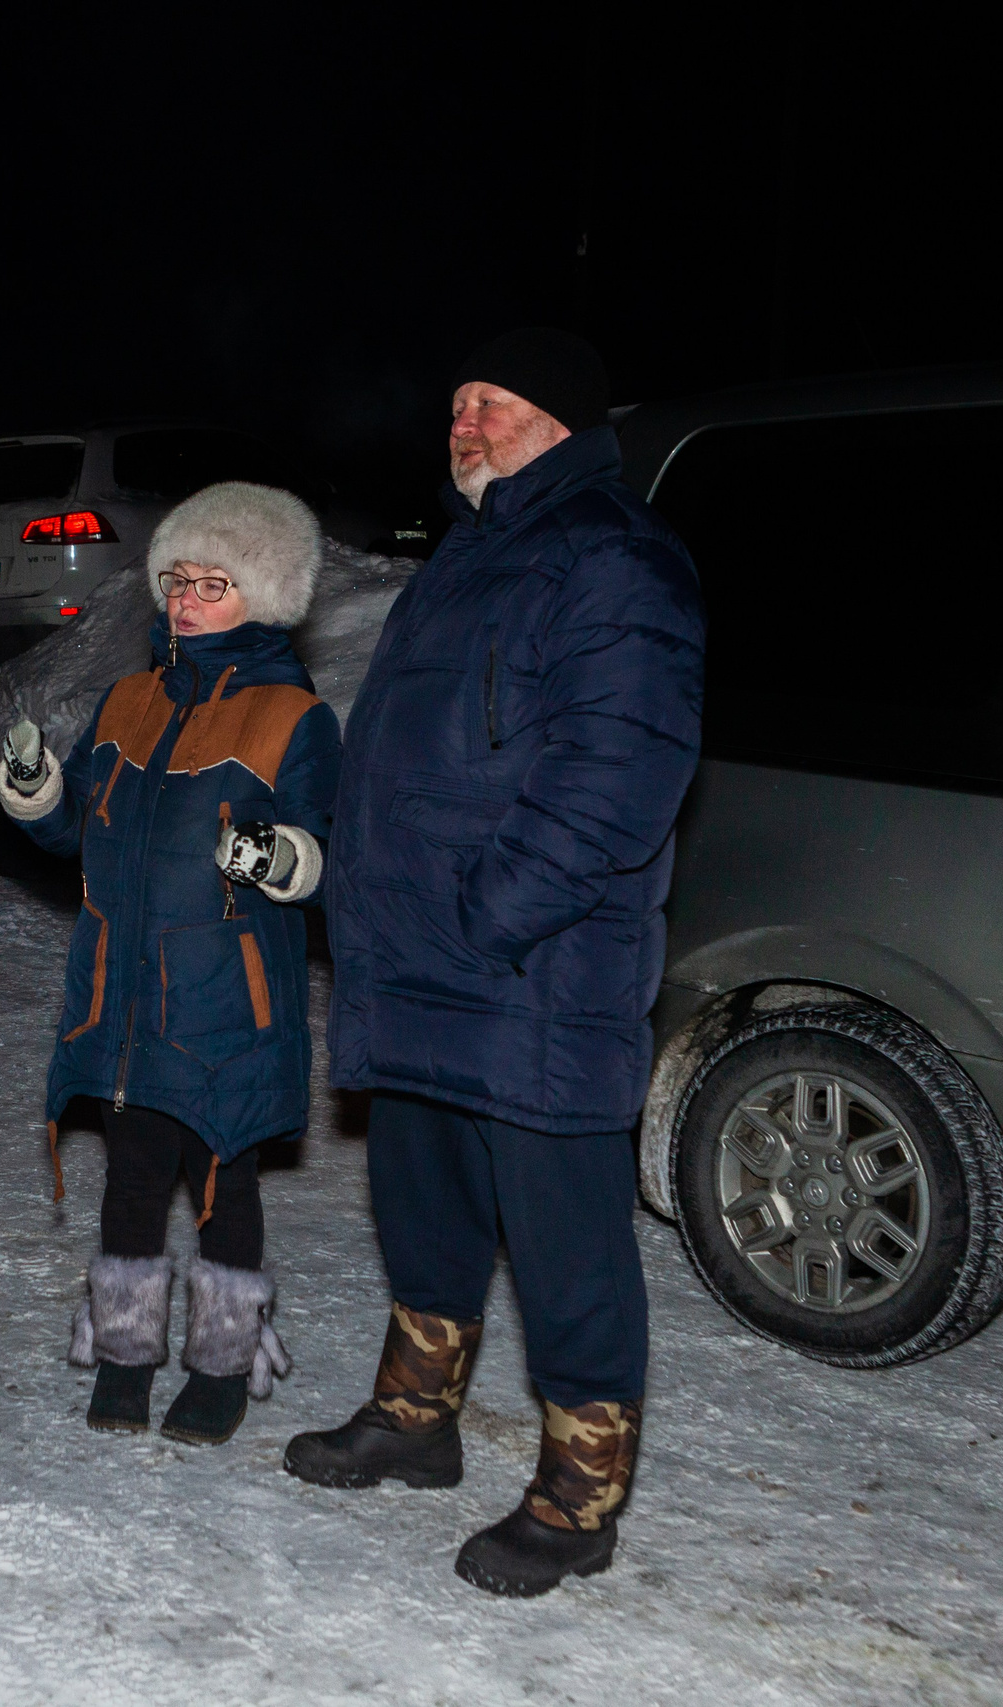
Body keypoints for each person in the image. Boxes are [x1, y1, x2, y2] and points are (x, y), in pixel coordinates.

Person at [287, 328, 704, 1597]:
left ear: (566, 422)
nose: (463, 422)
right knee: (423, 1201)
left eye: (494, 402)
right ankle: (415, 1423)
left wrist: (488, 916)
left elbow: (614, 777)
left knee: (565, 1240)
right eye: (457, 401)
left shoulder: (615, 559)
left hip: (531, 974)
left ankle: (581, 1497)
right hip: (421, 955)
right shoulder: (472, 554)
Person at [0, 482, 342, 1446]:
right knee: (133, 1183)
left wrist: (281, 858)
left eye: (214, 584)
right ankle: (122, 1353)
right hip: (126, 998)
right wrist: (37, 795)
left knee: (225, 1191)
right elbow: (78, 836)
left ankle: (226, 1364)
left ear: (262, 597)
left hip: (227, 1007)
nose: (186, 600)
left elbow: (327, 853)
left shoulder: (290, 718)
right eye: (177, 580)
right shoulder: (127, 701)